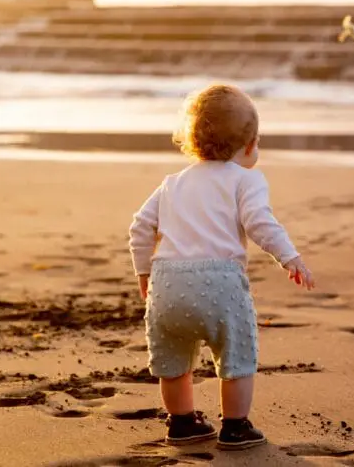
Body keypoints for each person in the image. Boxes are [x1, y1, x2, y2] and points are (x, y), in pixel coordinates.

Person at [128, 83, 315, 450]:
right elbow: (260, 223)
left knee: (174, 358)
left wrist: (144, 273)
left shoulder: (171, 184)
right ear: (248, 146)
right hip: (220, 284)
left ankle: (182, 424)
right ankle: (235, 427)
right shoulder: (246, 179)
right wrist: (290, 257)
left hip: (168, 285)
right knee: (236, 355)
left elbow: (140, 226)